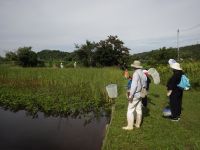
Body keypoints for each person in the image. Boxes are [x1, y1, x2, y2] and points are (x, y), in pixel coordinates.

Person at [122, 60, 146, 130]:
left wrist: (131, 95)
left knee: (130, 109)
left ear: (135, 67)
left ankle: (130, 126)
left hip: (135, 94)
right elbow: (145, 85)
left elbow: (134, 85)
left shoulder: (136, 73)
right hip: (141, 94)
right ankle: (138, 124)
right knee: (138, 109)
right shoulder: (143, 73)